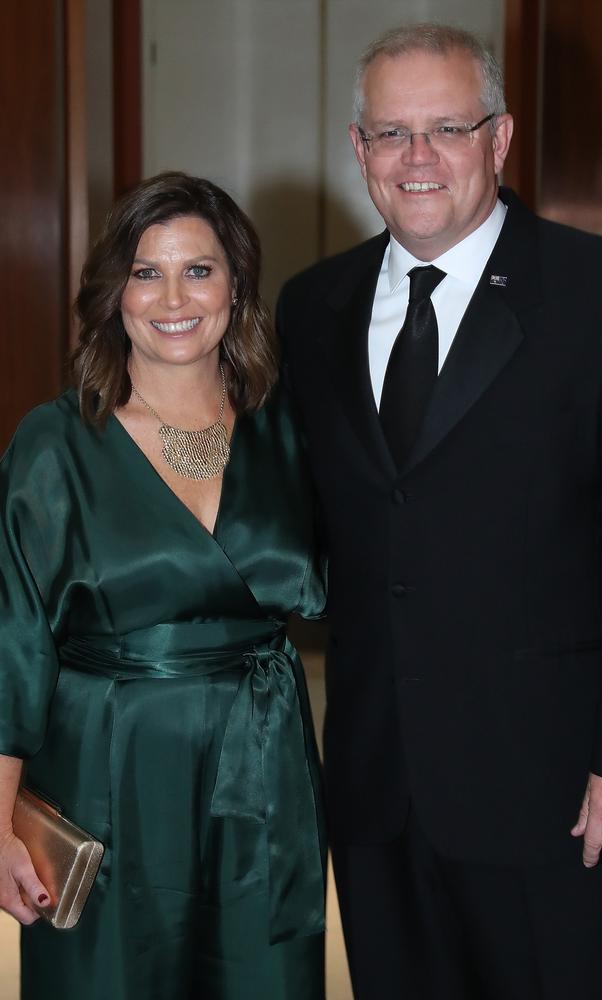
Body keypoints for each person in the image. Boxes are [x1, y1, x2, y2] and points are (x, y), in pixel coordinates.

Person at [277, 22, 602, 1000]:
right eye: (390, 133)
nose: (417, 157)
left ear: (499, 139)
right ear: (357, 150)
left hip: (556, 792)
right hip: (375, 784)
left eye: (446, 126)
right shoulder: (311, 306)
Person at [0, 172, 326, 1000]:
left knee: (262, 974)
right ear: (115, 293)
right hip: (108, 772)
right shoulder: (56, 443)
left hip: (264, 764)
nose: (173, 296)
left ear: (236, 285)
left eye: (200, 270)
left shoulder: (288, 429)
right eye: (147, 272)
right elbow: (11, 644)